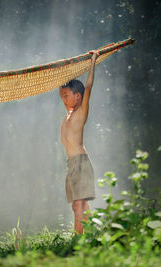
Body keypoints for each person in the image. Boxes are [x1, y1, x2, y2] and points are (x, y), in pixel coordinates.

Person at [59, 50, 99, 234]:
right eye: (62, 95)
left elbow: (88, 86)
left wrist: (93, 61)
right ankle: (93, 235)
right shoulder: (67, 115)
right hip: (72, 164)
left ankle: (78, 242)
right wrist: (62, 76)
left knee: (78, 205)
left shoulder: (81, 113)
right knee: (78, 205)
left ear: (78, 97)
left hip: (81, 163)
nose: (64, 98)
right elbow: (62, 87)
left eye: (67, 95)